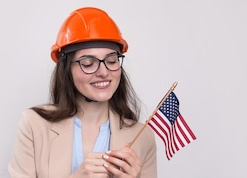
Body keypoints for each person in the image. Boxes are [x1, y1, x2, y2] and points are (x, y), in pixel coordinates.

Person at [8, 7, 157, 178]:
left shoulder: (143, 137)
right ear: (66, 70)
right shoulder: (34, 125)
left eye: (111, 60)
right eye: (88, 63)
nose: (103, 72)